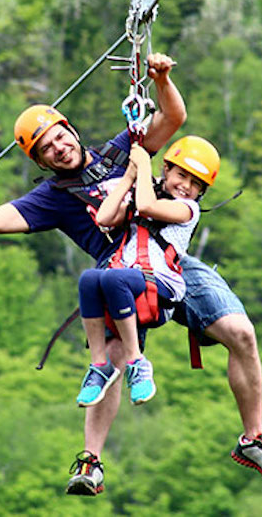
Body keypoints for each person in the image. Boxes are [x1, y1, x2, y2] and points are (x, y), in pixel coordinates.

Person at [0, 53, 262, 496]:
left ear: (71, 131)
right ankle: (91, 460)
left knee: (242, 333)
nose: (58, 148)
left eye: (60, 137)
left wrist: (161, 79)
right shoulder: (53, 197)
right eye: (47, 149)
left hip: (171, 259)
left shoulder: (120, 151)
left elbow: (173, 116)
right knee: (113, 360)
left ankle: (254, 438)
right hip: (118, 268)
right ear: (41, 162)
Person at [74, 138, 213, 411]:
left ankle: (137, 361)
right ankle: (99, 365)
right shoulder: (144, 195)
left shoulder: (187, 209)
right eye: (181, 175)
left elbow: (148, 207)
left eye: (195, 183)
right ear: (167, 170)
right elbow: (103, 218)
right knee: (89, 279)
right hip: (130, 282)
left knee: (114, 278)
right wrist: (129, 176)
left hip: (160, 287)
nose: (185, 186)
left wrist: (143, 165)